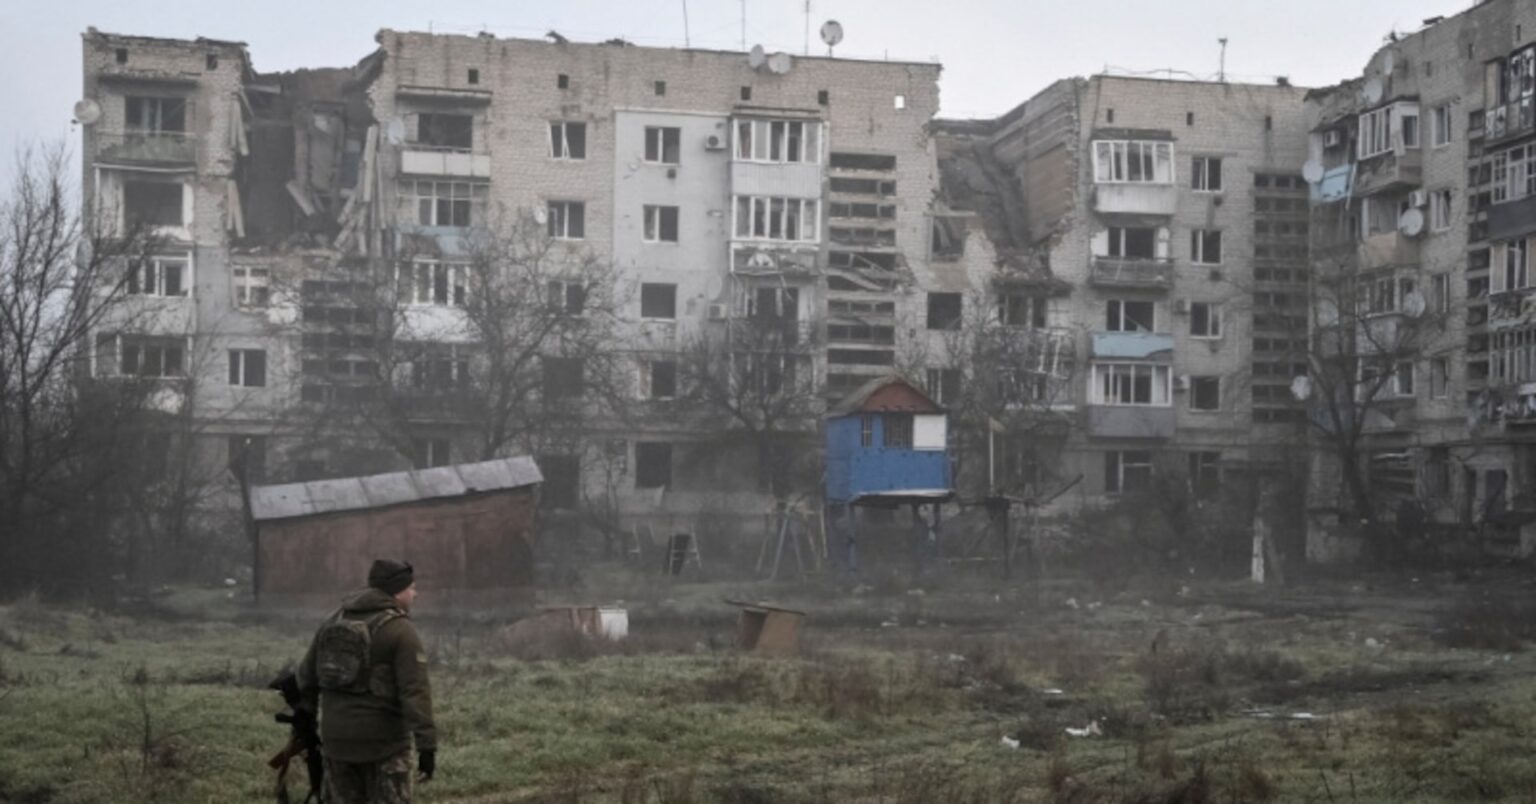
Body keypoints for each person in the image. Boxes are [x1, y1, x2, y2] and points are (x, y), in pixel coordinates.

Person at [298, 559, 436, 803]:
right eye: (412, 587)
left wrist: (305, 724)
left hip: (336, 744)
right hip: (385, 748)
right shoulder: (400, 629)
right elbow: (414, 691)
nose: (416, 593)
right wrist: (427, 745)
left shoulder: (334, 619)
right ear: (396, 591)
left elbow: (307, 677)